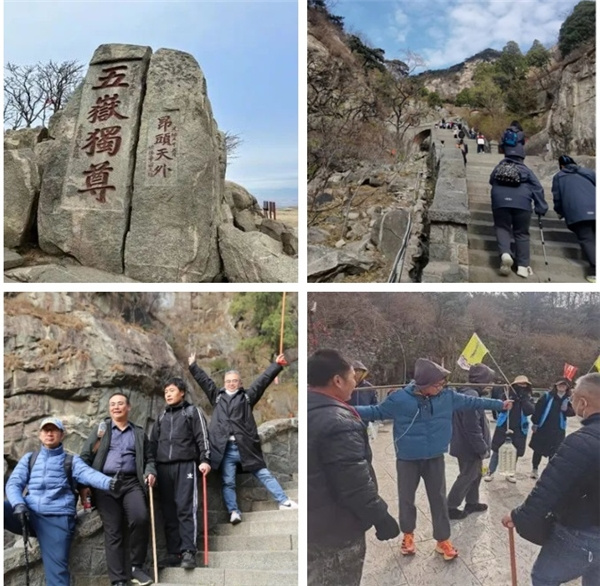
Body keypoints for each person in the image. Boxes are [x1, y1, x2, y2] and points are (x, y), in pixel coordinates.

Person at [356, 358, 512, 561]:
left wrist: (500, 404)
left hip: (435, 458)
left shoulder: (447, 396)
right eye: (437, 384)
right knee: (406, 499)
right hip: (407, 459)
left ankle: (442, 540)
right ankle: (408, 535)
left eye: (442, 383)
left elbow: (474, 402)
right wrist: (347, 409)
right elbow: (375, 412)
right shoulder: (400, 399)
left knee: (438, 499)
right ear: (423, 384)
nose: (441, 387)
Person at [308, 349, 399, 586]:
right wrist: (381, 516)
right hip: (336, 530)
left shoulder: (309, 409)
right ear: (337, 380)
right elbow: (354, 483)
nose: (354, 383)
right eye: (351, 378)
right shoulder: (338, 422)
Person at [501, 372, 600, 586]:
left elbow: (548, 491)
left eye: (574, 398)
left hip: (583, 533)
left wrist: (518, 516)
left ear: (582, 403)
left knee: (544, 577)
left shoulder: (581, 442)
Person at [5, 417, 117, 586]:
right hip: (28, 513)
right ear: (40, 435)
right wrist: (18, 504)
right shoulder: (29, 459)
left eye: (54, 430)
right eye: (46, 430)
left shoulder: (71, 461)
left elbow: (89, 475)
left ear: (61, 434)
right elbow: (14, 484)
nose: (49, 433)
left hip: (56, 519)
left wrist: (110, 482)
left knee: (57, 576)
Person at [188, 352, 298, 525]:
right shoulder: (217, 397)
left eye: (234, 381)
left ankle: (283, 501)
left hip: (245, 446)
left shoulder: (247, 397)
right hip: (224, 449)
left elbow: (262, 381)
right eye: (228, 381)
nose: (231, 383)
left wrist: (276, 365)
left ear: (240, 383)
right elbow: (204, 382)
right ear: (224, 383)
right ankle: (233, 511)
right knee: (228, 481)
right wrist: (193, 366)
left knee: (264, 473)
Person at [80, 393, 157, 586]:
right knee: (113, 529)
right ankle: (118, 580)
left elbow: (150, 459)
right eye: (112, 404)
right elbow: (84, 458)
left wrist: (150, 471)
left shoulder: (139, 433)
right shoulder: (101, 430)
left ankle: (136, 568)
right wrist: (83, 486)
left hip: (131, 483)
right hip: (105, 484)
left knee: (140, 518)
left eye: (120, 404)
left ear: (128, 407)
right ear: (109, 409)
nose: (116, 407)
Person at [150, 378, 211, 569]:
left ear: (182, 392)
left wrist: (205, 460)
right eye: (166, 391)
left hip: (186, 465)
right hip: (163, 468)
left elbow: (203, 437)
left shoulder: (192, 412)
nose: (168, 394)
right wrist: (150, 467)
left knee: (185, 508)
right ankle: (173, 552)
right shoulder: (161, 417)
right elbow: (152, 444)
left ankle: (188, 551)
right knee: (168, 512)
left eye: (172, 390)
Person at [447, 364, 495, 519]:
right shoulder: (471, 396)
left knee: (476, 474)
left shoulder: (470, 393)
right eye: (489, 381)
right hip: (469, 446)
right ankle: (450, 506)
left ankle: (472, 502)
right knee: (467, 475)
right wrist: (481, 448)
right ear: (482, 380)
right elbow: (471, 427)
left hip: (466, 445)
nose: (491, 385)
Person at [489, 152, 548, 278]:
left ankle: (505, 253)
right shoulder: (527, 170)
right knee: (521, 233)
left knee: (502, 228)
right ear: (522, 158)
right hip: (522, 204)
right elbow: (537, 188)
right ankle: (522, 266)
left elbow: (491, 181)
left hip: (500, 202)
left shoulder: (498, 168)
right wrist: (541, 207)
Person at [552, 155, 596, 283]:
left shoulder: (559, 177)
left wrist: (559, 212)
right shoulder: (588, 172)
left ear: (561, 166)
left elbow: (558, 198)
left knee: (587, 239)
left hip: (577, 212)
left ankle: (595, 271)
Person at [485, 375, 535, 484]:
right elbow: (499, 407)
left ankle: (510, 473)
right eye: (519, 384)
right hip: (504, 425)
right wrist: (509, 402)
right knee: (497, 450)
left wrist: (523, 400)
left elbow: (530, 411)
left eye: (524, 384)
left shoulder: (528, 397)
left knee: (515, 451)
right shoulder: (506, 394)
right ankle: (490, 471)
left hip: (520, 427)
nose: (522, 386)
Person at [529, 378, 575, 479]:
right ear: (556, 386)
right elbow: (538, 410)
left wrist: (566, 409)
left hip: (558, 429)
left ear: (567, 387)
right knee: (538, 449)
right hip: (544, 427)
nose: (562, 387)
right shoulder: (547, 396)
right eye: (560, 385)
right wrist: (535, 423)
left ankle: (550, 472)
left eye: (564, 385)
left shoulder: (567, 399)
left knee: (555, 451)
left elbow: (573, 412)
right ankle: (534, 469)